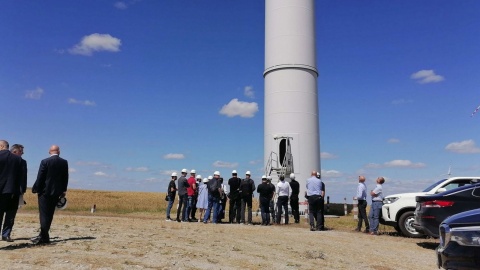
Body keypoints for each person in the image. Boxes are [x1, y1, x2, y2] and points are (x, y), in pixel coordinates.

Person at [31, 145, 69, 244]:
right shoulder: (64, 162)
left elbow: (40, 176)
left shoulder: (45, 161)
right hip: (57, 192)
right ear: (59, 152)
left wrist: (36, 189)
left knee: (43, 214)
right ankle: (44, 235)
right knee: (50, 214)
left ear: (49, 152)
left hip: (44, 192)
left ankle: (44, 237)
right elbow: (65, 177)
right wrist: (63, 190)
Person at [2, 144, 27, 241]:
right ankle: (6, 234)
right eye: (21, 152)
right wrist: (22, 191)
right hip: (14, 191)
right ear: (15, 151)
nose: (22, 154)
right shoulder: (21, 161)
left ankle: (6, 234)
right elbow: (23, 178)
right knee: (10, 214)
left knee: (10, 214)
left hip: (8, 191)